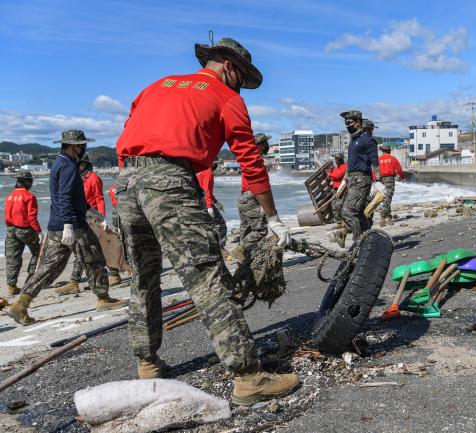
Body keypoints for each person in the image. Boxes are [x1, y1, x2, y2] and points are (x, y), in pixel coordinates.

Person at [114, 35, 299, 405]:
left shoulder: (156, 86)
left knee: (144, 276)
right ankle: (248, 377)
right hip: (170, 183)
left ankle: (147, 364)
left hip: (127, 182)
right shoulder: (226, 98)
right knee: (207, 278)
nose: (242, 87)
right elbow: (250, 158)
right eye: (242, 79)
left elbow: (129, 132)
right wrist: (273, 217)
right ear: (229, 66)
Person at [7, 130, 127, 326]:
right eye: (82, 146)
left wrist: (92, 212)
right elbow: (64, 198)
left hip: (56, 224)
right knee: (95, 259)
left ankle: (21, 304)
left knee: (50, 267)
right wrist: (70, 225)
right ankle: (103, 299)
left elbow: (72, 198)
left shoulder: (58, 163)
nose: (83, 149)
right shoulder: (69, 167)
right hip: (73, 224)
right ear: (74, 146)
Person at [58, 155, 121, 293]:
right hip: (80, 217)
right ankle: (74, 281)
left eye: (79, 164)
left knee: (104, 246)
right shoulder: (77, 179)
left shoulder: (93, 178)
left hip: (93, 217)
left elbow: (99, 199)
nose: (77, 166)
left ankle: (115, 275)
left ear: (84, 165)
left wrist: (102, 219)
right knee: (82, 248)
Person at [329, 111, 384, 248]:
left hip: (361, 179)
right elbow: (351, 163)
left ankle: (359, 242)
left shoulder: (368, 140)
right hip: (352, 179)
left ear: (358, 122)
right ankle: (368, 239)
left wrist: (378, 182)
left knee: (348, 212)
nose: (347, 125)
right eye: (345, 123)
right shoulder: (353, 141)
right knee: (359, 213)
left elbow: (374, 162)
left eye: (349, 122)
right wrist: (344, 180)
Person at [232, 133, 271, 263]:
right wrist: (263, 204)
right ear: (260, 145)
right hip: (253, 196)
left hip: (244, 197)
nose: (267, 146)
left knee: (246, 231)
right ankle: (240, 249)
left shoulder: (248, 158)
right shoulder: (257, 160)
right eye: (265, 143)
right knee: (261, 230)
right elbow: (259, 184)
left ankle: (244, 262)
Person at [4, 170, 42, 296]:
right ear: (27, 182)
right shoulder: (29, 196)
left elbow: (6, 216)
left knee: (12, 258)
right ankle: (30, 280)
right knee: (39, 252)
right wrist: (39, 232)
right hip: (25, 230)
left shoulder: (10, 196)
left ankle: (11, 286)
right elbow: (32, 217)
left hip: (10, 230)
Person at [196, 163, 228, 248]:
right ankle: (220, 248)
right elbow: (207, 191)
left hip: (198, 201)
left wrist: (216, 202)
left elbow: (206, 191)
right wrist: (210, 207)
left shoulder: (200, 171)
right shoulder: (208, 172)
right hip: (205, 202)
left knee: (207, 226)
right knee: (221, 225)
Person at [377, 144, 405, 226]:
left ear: (382, 151)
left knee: (385, 198)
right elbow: (399, 169)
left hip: (380, 180)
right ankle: (382, 218)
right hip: (389, 180)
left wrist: (375, 179)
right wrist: (402, 177)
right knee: (388, 198)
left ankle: (388, 217)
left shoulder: (379, 159)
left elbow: (374, 170)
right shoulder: (393, 159)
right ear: (389, 150)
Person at [327, 153, 347, 227]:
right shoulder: (336, 167)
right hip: (335, 189)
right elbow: (333, 177)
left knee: (339, 205)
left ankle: (343, 221)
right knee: (333, 205)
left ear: (340, 159)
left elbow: (337, 175)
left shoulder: (344, 167)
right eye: (335, 159)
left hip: (342, 189)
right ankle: (338, 222)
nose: (335, 160)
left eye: (336, 159)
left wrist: (330, 174)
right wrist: (331, 175)